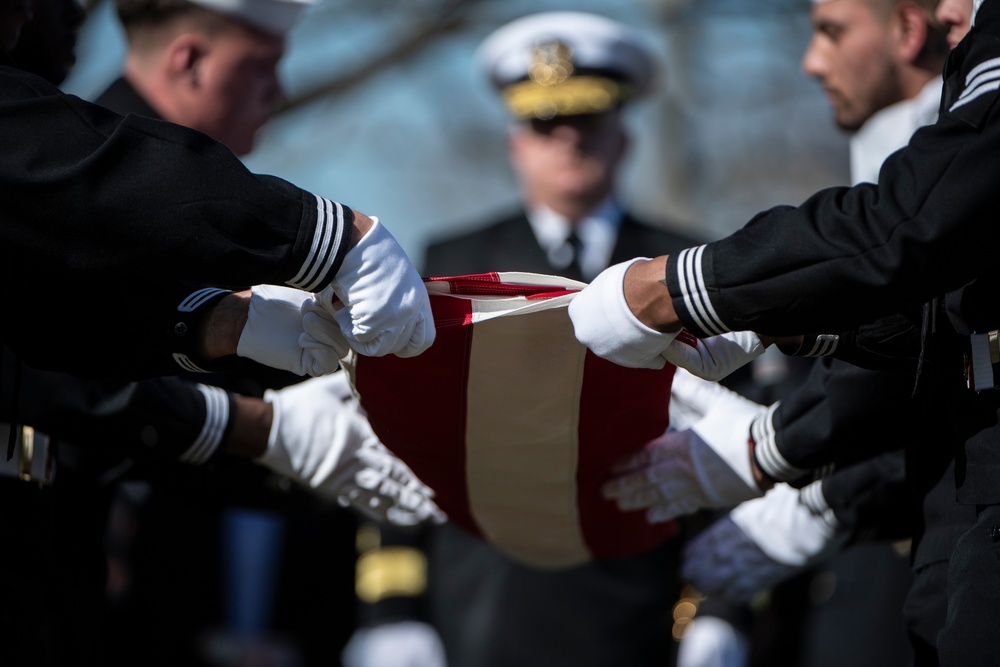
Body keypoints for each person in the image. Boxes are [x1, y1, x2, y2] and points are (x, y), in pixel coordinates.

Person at [570, 0, 997, 663]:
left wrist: (671, 290)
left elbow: (905, 227)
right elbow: (943, 317)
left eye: (831, 32)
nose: (810, 61)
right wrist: (776, 340)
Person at [346, 12, 700, 667]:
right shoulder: (451, 262)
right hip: (482, 600)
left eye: (587, 119)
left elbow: (716, 447)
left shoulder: (685, 266)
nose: (567, 139)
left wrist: (713, 606)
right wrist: (392, 608)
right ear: (516, 143)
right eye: (544, 123)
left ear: (624, 133)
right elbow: (403, 439)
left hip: (637, 603)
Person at [0, 0, 435, 380]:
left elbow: (52, 318)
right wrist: (329, 237)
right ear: (189, 61)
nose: (279, 91)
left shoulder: (207, 208)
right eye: (260, 66)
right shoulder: (153, 196)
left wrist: (219, 323)